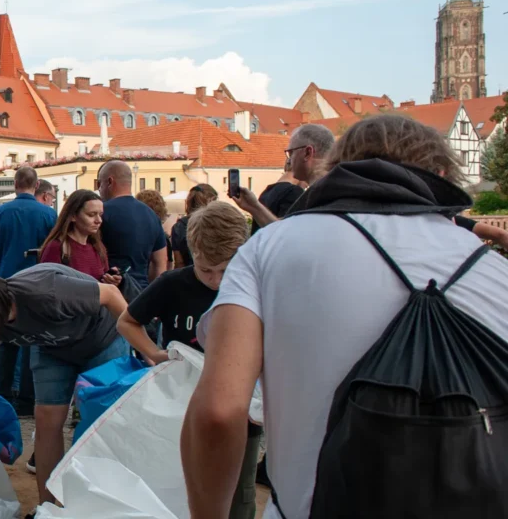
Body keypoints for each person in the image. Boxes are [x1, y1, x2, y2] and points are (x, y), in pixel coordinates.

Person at [182, 114, 508, 519]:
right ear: (440, 174)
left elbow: (219, 411)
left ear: (334, 166)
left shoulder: (270, 248)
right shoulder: (496, 270)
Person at [0, 265, 132, 507]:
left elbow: (110, 293)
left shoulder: (46, 292)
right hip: (51, 347)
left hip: (102, 338)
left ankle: (97, 505)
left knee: (102, 421)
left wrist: (143, 343)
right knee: (46, 419)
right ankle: (46, 507)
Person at [116, 201, 261, 519]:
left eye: (224, 270)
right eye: (205, 269)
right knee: (180, 487)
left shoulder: (255, 288)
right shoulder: (174, 284)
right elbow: (126, 321)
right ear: (191, 252)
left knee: (239, 494)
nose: (215, 280)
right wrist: (153, 353)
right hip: (178, 409)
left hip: (241, 415)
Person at [0, 166, 56, 413]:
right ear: (37, 186)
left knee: (8, 341)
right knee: (33, 340)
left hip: (7, 281)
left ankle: (4, 393)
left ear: (15, 184)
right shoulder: (48, 214)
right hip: (38, 283)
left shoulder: (1, 213)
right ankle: (27, 398)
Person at [234, 123, 334, 228]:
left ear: (307, 153)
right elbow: (284, 230)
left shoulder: (327, 194)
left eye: (291, 153)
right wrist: (253, 206)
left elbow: (289, 236)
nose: (289, 160)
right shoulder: (324, 190)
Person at [97, 160, 167, 291]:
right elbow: (160, 263)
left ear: (110, 181)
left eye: (99, 183)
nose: (98, 189)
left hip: (109, 289)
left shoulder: (100, 213)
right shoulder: (151, 215)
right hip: (141, 291)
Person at [39, 190, 108, 280]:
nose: (99, 220)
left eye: (100, 214)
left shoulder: (98, 248)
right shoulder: (56, 247)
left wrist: (111, 279)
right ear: (73, 216)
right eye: (91, 214)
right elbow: (46, 284)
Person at [169, 184, 217, 268]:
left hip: (189, 275)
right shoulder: (218, 223)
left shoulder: (178, 227)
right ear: (212, 201)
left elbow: (179, 262)